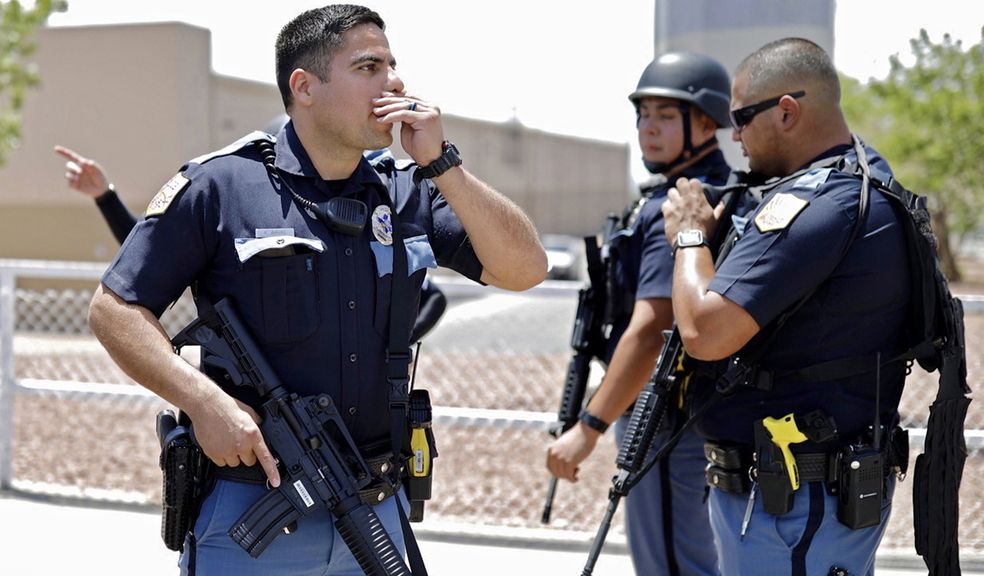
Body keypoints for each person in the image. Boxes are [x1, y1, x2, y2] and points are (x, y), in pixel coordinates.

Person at [87, 5, 547, 575]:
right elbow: (115, 309)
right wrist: (202, 401)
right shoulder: (222, 186)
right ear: (304, 87)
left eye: (393, 65)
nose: (395, 82)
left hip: (375, 508)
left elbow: (525, 269)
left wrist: (442, 164)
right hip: (251, 510)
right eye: (369, 67)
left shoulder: (405, 189)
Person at [662, 38, 911, 576]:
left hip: (794, 510)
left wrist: (688, 237)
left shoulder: (818, 205)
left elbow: (705, 331)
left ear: (787, 111)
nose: (734, 135)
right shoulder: (865, 179)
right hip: (801, 501)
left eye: (741, 118)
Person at [546, 51, 751, 576]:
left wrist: (589, 426)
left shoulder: (683, 203)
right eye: (643, 115)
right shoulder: (696, 194)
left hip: (665, 415)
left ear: (706, 122)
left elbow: (651, 330)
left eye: (665, 115)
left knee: (673, 565)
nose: (648, 129)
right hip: (690, 413)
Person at [56, 144, 449, 340]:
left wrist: (390, 344)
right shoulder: (235, 199)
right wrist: (105, 196)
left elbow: (435, 297)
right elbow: (147, 258)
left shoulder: (374, 217)